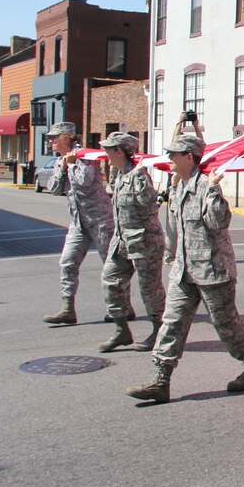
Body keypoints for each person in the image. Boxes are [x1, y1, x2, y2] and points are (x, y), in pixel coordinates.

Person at [126, 134, 244, 403]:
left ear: (189, 157)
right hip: (184, 271)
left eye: (175, 154)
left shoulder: (205, 185)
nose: (170, 158)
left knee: (227, 325)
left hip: (213, 272)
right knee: (172, 322)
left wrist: (214, 190)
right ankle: (161, 379)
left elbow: (219, 221)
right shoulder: (179, 186)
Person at [98, 132, 166, 352]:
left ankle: (159, 331)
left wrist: (139, 179)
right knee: (110, 280)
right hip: (122, 240)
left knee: (149, 289)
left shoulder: (138, 176)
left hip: (145, 241)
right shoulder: (119, 174)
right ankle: (121, 331)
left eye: (109, 149)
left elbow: (150, 205)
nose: (106, 153)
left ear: (119, 151)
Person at [42, 122, 115, 325]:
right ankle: (67, 309)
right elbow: (54, 188)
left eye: (54, 137)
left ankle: (119, 308)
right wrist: (63, 167)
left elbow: (84, 181)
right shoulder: (61, 161)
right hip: (78, 222)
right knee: (67, 263)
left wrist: (73, 164)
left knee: (111, 266)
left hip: (100, 220)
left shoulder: (85, 157)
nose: (51, 141)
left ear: (66, 137)